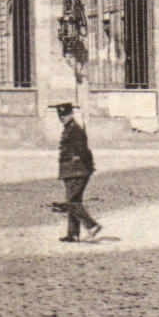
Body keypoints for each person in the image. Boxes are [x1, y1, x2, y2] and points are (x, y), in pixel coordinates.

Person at [54, 102, 101, 243]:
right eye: (60, 115)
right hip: (71, 171)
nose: (62, 117)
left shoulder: (75, 130)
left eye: (64, 114)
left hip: (76, 171)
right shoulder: (70, 128)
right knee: (74, 201)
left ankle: (91, 226)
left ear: (71, 114)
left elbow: (84, 151)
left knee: (71, 202)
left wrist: (87, 167)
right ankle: (73, 234)